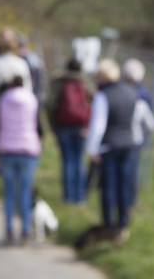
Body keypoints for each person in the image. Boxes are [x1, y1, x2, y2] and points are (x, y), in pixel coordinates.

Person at [86, 59, 144, 231]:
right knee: (124, 183)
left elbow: (99, 124)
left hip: (109, 145)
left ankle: (108, 222)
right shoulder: (131, 92)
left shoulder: (103, 95)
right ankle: (123, 220)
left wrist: (92, 148)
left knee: (108, 185)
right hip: (128, 143)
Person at [0, 75, 41, 246]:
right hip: (27, 150)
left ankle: (8, 230)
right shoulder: (31, 99)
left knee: (8, 193)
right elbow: (37, 124)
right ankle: (26, 230)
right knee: (24, 192)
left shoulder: (3, 99)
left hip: (6, 149)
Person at [47, 58, 93, 204]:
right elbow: (96, 101)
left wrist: (53, 126)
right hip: (81, 126)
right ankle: (80, 197)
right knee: (79, 161)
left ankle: (68, 196)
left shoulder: (59, 83)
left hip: (63, 126)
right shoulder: (86, 83)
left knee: (67, 161)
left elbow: (49, 104)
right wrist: (89, 123)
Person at [122, 59, 154, 206]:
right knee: (131, 172)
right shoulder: (144, 93)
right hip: (136, 139)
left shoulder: (122, 89)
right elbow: (150, 122)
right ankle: (129, 201)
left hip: (122, 137)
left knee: (124, 171)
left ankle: (123, 200)